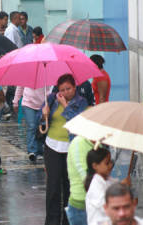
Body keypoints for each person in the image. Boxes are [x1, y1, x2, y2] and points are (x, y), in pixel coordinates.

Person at [38, 74, 88, 225]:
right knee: (53, 187)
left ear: (74, 88)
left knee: (69, 186)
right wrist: (43, 115)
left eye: (68, 89)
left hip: (71, 148)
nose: (65, 92)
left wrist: (65, 105)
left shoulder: (81, 102)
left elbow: (78, 123)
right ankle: (52, 221)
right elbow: (40, 123)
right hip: (52, 146)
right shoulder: (52, 99)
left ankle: (68, 221)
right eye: (62, 90)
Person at [85, 148, 124, 225]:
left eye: (110, 162)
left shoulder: (109, 180)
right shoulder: (95, 185)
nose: (110, 165)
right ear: (95, 166)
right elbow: (106, 206)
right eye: (107, 163)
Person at [13, 85, 49, 161]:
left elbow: (49, 90)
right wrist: (15, 101)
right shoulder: (25, 74)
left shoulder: (46, 73)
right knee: (32, 126)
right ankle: (32, 151)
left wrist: (48, 102)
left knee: (40, 127)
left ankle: (39, 151)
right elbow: (20, 87)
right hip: (28, 104)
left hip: (42, 105)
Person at [66, 136, 95, 225]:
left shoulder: (98, 145)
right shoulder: (78, 143)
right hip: (81, 206)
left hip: (95, 204)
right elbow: (86, 179)